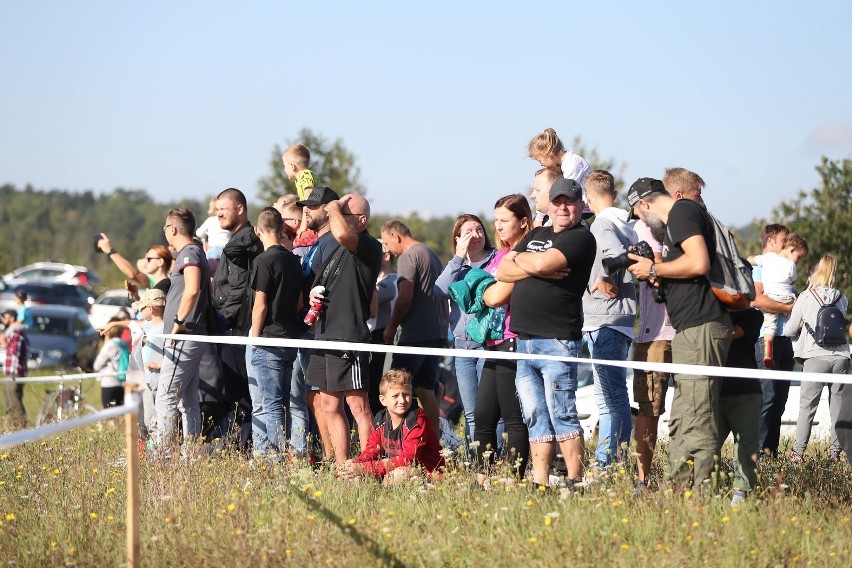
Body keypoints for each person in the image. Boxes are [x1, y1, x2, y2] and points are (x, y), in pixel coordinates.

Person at [626, 177, 733, 491]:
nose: (642, 221)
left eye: (640, 214)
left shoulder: (682, 212)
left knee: (697, 413)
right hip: (690, 328)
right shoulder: (679, 220)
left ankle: (700, 491)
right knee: (685, 415)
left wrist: (654, 270)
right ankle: (681, 488)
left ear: (645, 203)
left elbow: (698, 262)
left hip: (701, 327)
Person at [496, 178, 596, 488]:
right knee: (535, 415)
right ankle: (541, 483)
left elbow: (537, 261)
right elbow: (502, 270)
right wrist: (535, 265)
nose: (563, 207)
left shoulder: (581, 238)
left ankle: (575, 482)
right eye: (557, 201)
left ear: (580, 205)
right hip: (524, 340)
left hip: (557, 339)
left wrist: (527, 263)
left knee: (562, 413)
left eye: (569, 201)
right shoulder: (537, 233)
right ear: (549, 205)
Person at [303, 188, 382, 464]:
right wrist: (314, 295)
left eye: (344, 213)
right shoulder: (336, 249)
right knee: (329, 404)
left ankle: (367, 464)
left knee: (357, 405)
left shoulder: (369, 245)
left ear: (361, 220)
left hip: (349, 336)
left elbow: (343, 234)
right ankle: (342, 465)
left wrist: (333, 207)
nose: (335, 216)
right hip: (324, 334)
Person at [581, 170, 637, 472]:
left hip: (605, 318)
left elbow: (617, 255)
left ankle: (608, 463)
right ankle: (613, 460)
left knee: (611, 398)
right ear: (612, 194)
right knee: (612, 395)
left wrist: (602, 276)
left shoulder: (602, 223)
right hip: (618, 318)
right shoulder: (625, 222)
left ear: (588, 199)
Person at [474, 194, 532, 483]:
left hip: (514, 339)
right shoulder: (498, 255)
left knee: (513, 417)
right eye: (495, 220)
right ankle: (481, 479)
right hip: (493, 342)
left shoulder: (525, 253)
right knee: (483, 416)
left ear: (523, 222)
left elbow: (495, 296)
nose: (498, 226)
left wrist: (482, 294)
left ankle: (514, 479)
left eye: (504, 220)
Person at [381, 220, 449, 439]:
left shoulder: (409, 257)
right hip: (435, 332)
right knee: (424, 389)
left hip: (415, 334)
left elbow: (405, 298)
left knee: (397, 387)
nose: (388, 250)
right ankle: (432, 441)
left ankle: (399, 441)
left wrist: (390, 328)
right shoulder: (430, 253)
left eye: (387, 243)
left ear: (396, 236)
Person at [435, 214, 497, 443]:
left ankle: (496, 461)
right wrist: (458, 257)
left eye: (479, 230)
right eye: (468, 232)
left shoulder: (496, 261)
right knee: (471, 413)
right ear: (458, 238)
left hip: (488, 345)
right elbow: (440, 291)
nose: (475, 235)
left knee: (491, 411)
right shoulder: (457, 267)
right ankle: (477, 461)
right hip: (461, 347)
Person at [248, 207, 305, 457]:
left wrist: (255, 337)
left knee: (271, 405)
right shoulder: (293, 260)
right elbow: (301, 303)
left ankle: (275, 459)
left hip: (269, 339)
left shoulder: (263, 260)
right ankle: (288, 454)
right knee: (284, 405)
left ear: (257, 231)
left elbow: (260, 304)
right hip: (289, 337)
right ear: (282, 230)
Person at [784, 254, 850, 462]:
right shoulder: (842, 298)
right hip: (841, 356)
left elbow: (790, 329)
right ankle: (835, 454)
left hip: (814, 357)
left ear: (815, 274)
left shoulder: (806, 296)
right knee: (837, 409)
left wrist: (802, 329)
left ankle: (798, 453)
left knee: (807, 407)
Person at [157, 207, 211, 453]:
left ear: (173, 229)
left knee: (166, 395)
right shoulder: (195, 251)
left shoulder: (189, 253)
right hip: (190, 334)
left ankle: (162, 454)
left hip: (185, 335)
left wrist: (178, 322)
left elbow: (192, 289)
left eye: (165, 228)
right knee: (188, 399)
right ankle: (191, 454)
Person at [630, 217, 675, 493]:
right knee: (649, 408)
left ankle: (685, 478)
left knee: (695, 407)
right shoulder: (640, 227)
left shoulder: (690, 226)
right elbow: (646, 268)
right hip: (654, 333)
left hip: (689, 329)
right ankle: (643, 481)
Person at [340, 369, 444, 484]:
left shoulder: (417, 420)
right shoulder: (380, 419)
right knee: (355, 476)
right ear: (383, 400)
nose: (402, 400)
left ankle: (389, 498)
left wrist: (364, 468)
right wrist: (355, 464)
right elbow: (371, 451)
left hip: (426, 473)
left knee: (398, 475)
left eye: (406, 394)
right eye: (395, 396)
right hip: (392, 468)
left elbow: (407, 460)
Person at [751, 224, 796, 457]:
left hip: (784, 338)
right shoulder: (759, 268)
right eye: (782, 240)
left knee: (780, 399)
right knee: (767, 397)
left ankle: (771, 452)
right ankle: (758, 450)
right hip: (764, 338)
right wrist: (787, 307)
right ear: (770, 241)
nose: (786, 244)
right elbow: (758, 300)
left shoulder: (784, 268)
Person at [719, 307, 764, 507]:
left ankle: (741, 496)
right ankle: (708, 492)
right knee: (705, 446)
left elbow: (729, 333)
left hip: (745, 392)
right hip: (713, 391)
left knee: (746, 449)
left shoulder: (753, 315)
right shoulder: (709, 310)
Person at [748, 233, 809, 368]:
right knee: (799, 316)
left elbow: (751, 259)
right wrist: (788, 308)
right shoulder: (791, 265)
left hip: (770, 296)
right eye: (799, 257)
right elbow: (792, 281)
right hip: (786, 298)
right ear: (792, 249)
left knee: (770, 324)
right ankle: (804, 340)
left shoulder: (767, 259)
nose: (798, 261)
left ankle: (767, 349)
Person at [528, 128, 592, 216]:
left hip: (584, 208)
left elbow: (565, 192)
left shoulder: (572, 164)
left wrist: (552, 219)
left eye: (540, 160)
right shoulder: (563, 164)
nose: (541, 164)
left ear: (548, 153)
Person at [130, 288, 166, 443]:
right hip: (148, 381)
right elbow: (133, 324)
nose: (139, 312)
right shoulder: (150, 327)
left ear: (150, 309)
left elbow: (174, 356)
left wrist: (158, 365)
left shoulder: (164, 330)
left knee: (154, 421)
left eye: (141, 308)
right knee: (147, 420)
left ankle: (157, 454)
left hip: (157, 383)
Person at [367, 245, 399, 415]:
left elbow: (368, 306)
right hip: (387, 336)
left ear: (386, 256)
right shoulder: (396, 280)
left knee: (376, 387)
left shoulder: (388, 283)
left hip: (381, 337)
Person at [1, 309, 29, 428]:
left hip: (16, 372)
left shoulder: (17, 334)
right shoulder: (11, 333)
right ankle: (12, 427)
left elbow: (15, 352)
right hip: (9, 372)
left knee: (15, 401)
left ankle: (22, 427)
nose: (3, 320)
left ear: (12, 318)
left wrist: (4, 342)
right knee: (8, 401)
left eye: (5, 317)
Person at [93, 321, 129, 408]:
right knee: (119, 412)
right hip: (123, 382)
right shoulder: (124, 344)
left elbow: (97, 365)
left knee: (110, 415)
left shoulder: (110, 344)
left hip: (109, 382)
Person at [196, 196, 233, 273]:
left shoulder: (210, 220)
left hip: (213, 252)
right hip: (227, 253)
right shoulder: (228, 221)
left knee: (211, 276)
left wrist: (207, 234)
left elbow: (198, 233)